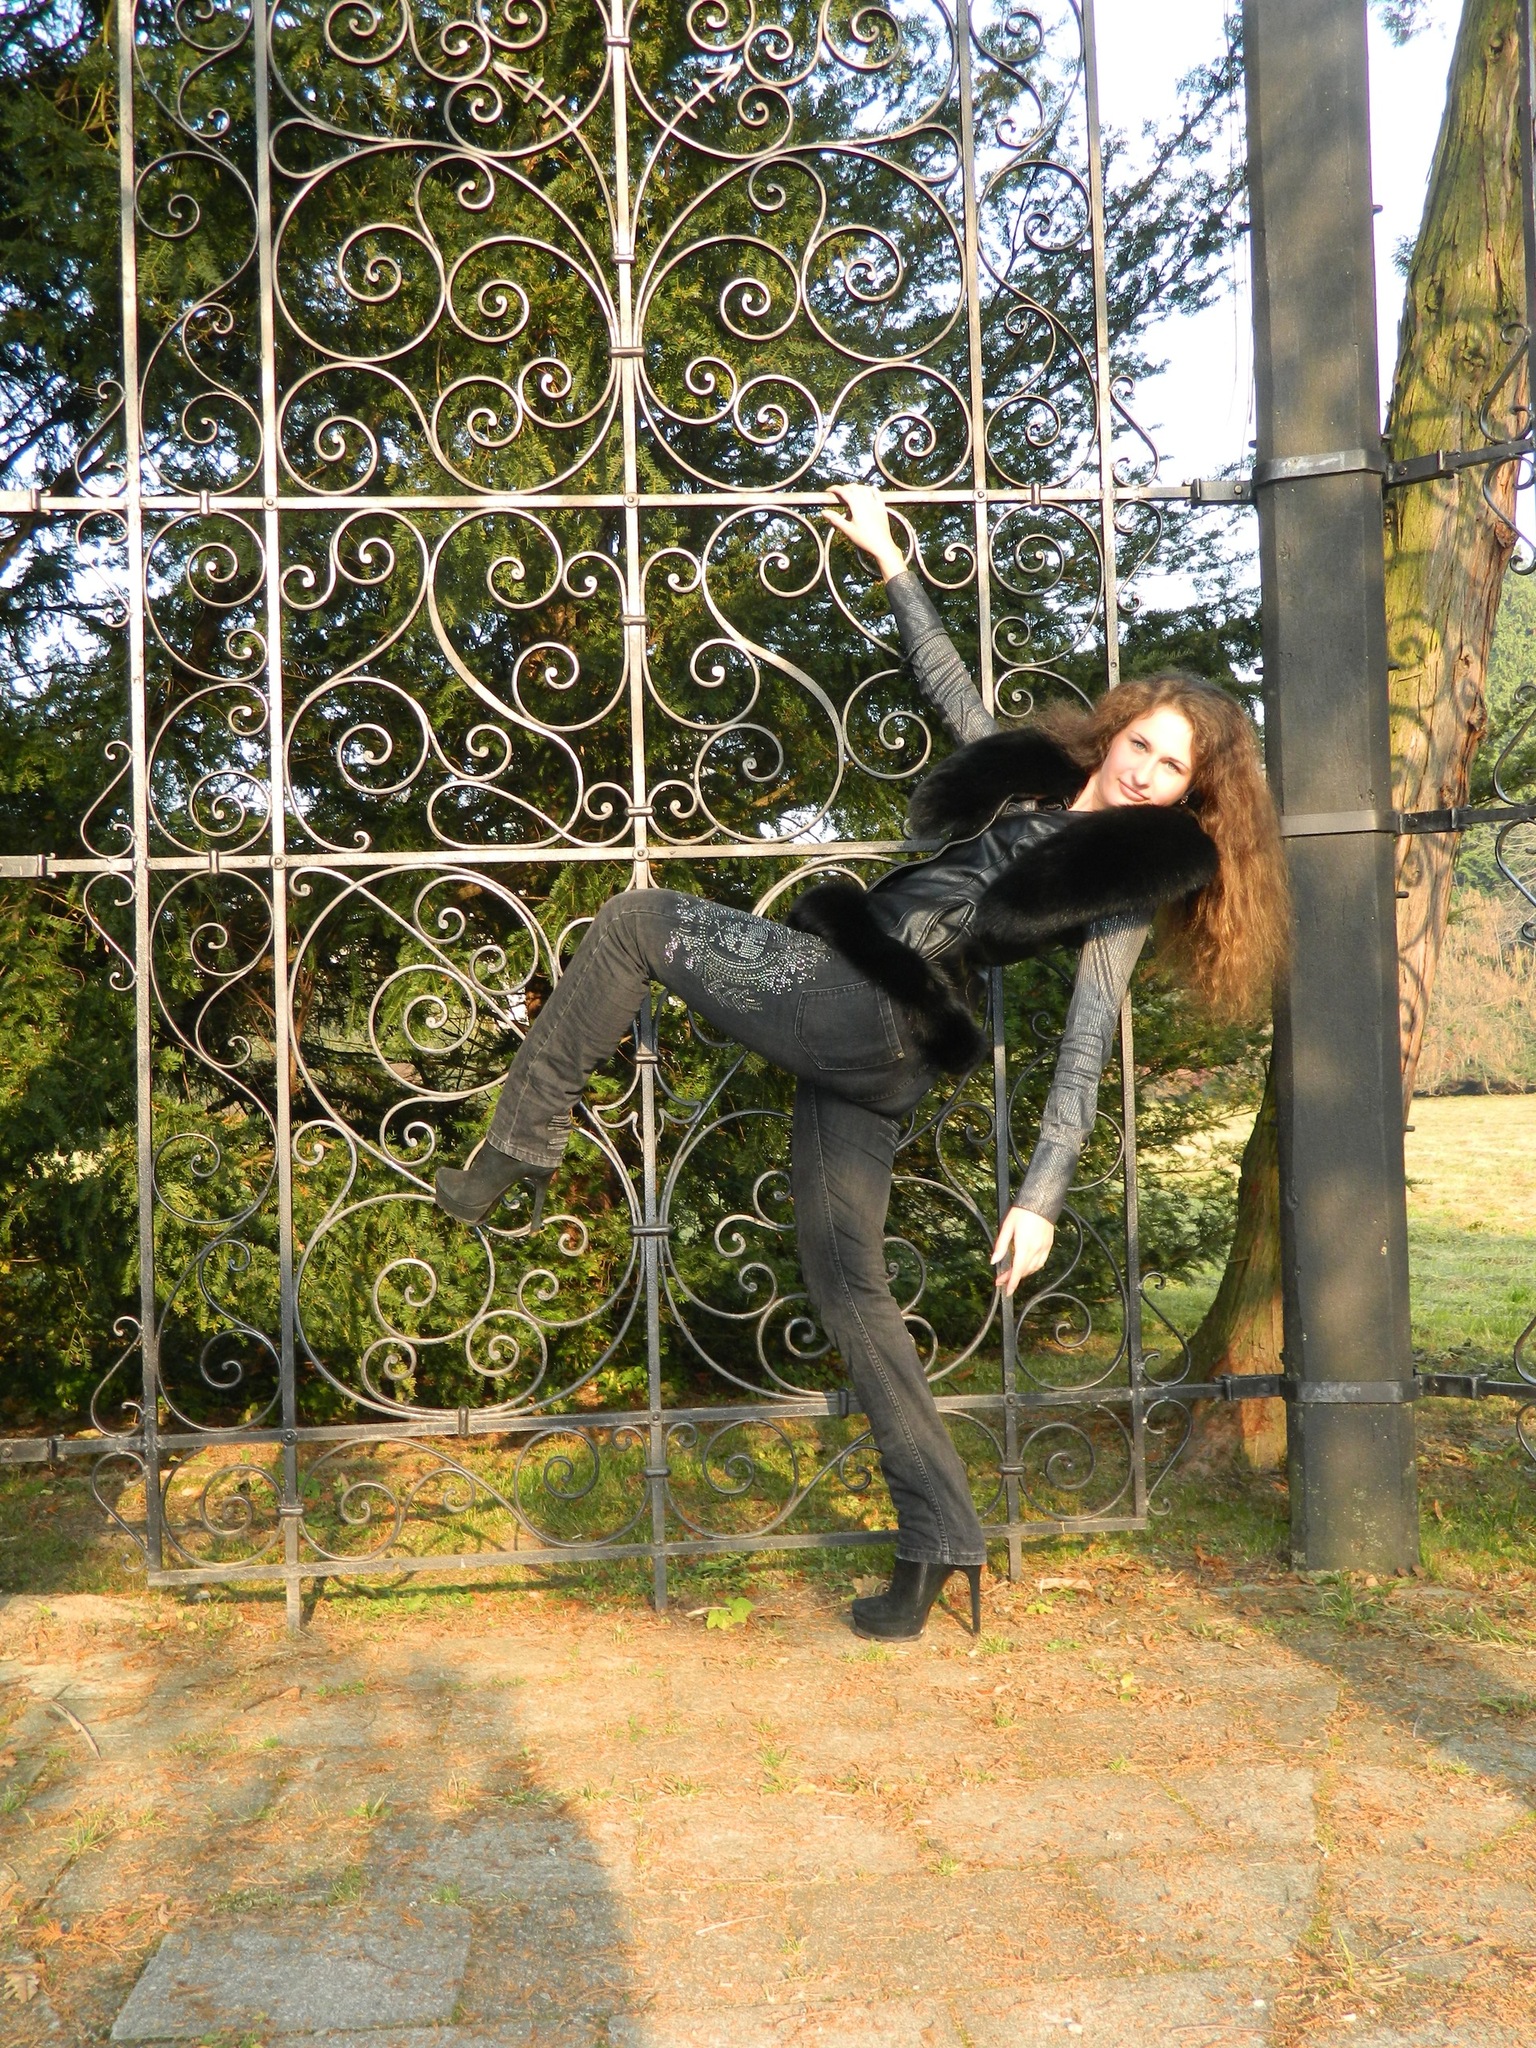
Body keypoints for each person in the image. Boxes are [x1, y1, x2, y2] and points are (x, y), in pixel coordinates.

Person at [436, 484, 1288, 1639]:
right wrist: (891, 559)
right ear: (1118, 730)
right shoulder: (1031, 774)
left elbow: (1087, 1045)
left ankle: (521, 1141)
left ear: (1191, 792)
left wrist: (1040, 1199)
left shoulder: (1125, 877)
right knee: (849, 1288)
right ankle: (940, 1536)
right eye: (1142, 743)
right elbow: (950, 686)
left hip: (871, 1006)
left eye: (1171, 768)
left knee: (636, 922)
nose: (1145, 772)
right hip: (882, 1049)